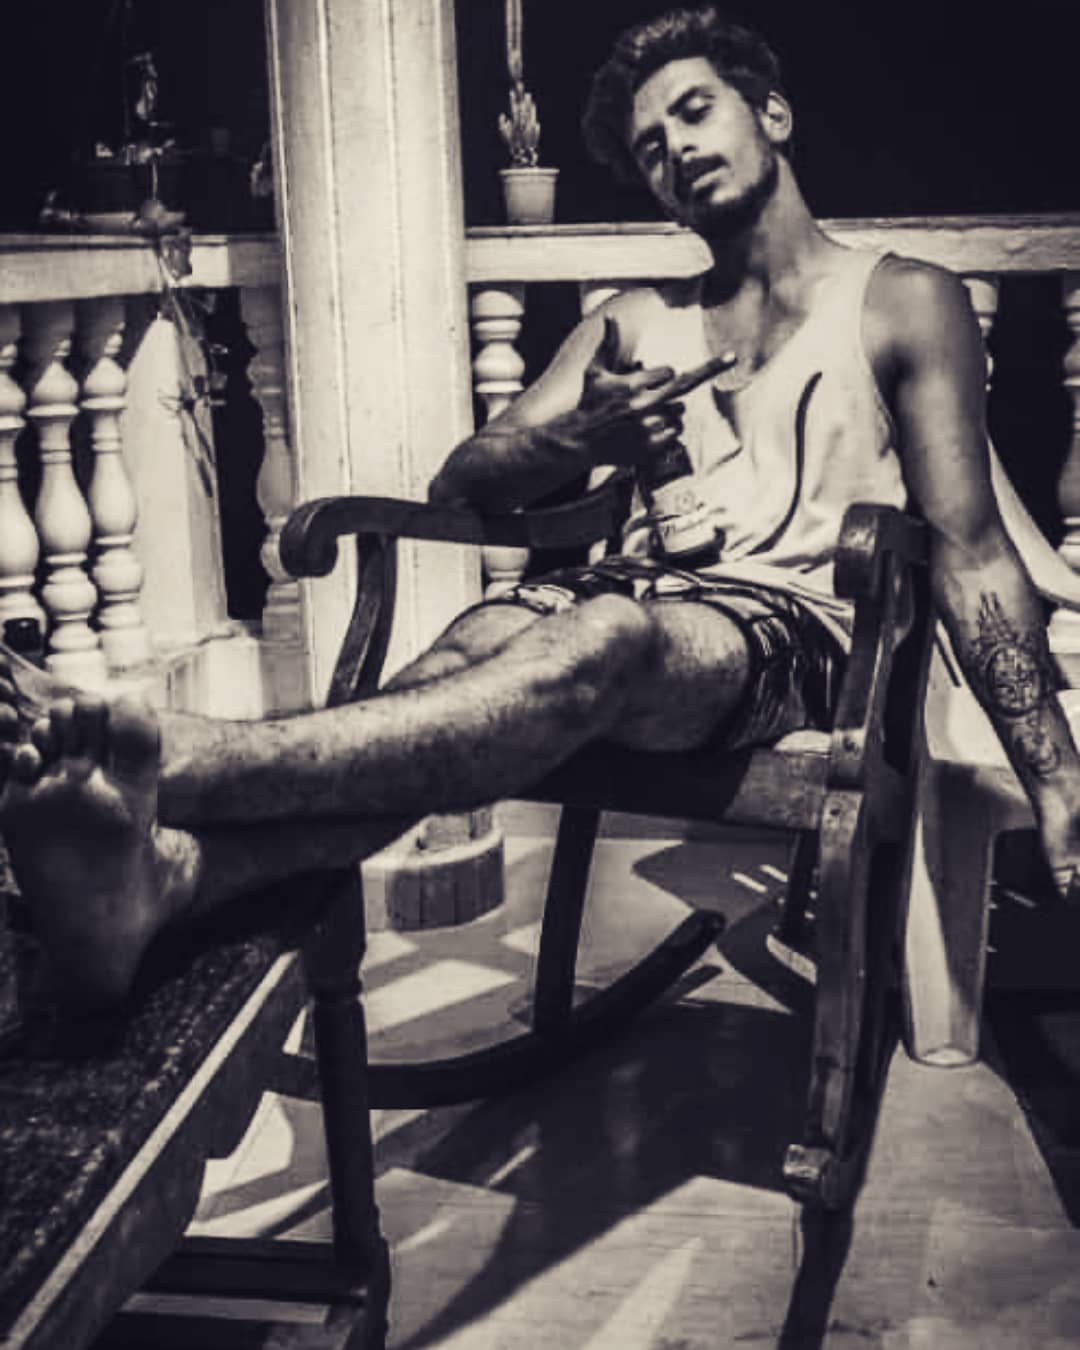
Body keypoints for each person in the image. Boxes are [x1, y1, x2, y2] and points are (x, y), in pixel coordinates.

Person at [1, 3, 1078, 1010]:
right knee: (468, 648)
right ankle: (173, 879)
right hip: (641, 593)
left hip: (805, 628)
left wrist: (1057, 774)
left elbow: (973, 551)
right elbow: (463, 480)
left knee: (602, 635)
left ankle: (181, 757)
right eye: (651, 147)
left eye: (695, 111)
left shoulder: (903, 298)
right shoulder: (634, 321)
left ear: (773, 116)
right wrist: (581, 440)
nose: (677, 149)